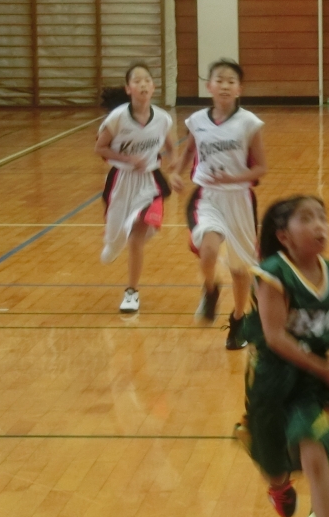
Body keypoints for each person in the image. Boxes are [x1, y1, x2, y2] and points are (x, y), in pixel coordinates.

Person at [234, 196, 329, 517]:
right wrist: (325, 366)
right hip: (273, 377)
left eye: (322, 217)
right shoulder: (272, 274)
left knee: (314, 453)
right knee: (271, 460)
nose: (319, 225)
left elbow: (328, 321)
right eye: (307, 218)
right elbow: (276, 337)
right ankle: (278, 485)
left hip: (314, 384)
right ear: (284, 236)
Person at [171, 59, 267, 350]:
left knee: (240, 269)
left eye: (231, 81)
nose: (225, 85)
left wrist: (232, 178)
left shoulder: (249, 123)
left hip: (240, 199)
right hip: (208, 196)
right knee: (209, 247)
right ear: (209, 86)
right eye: (219, 80)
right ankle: (210, 289)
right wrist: (176, 173)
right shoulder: (197, 120)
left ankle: (238, 320)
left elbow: (261, 168)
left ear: (239, 89)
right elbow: (189, 150)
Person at [93, 62, 174, 313]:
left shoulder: (163, 118)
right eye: (137, 81)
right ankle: (113, 242)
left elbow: (171, 147)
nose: (143, 84)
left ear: (153, 86)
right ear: (128, 88)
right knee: (116, 241)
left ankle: (131, 292)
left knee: (136, 237)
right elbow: (100, 148)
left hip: (150, 183)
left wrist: (175, 169)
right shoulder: (118, 118)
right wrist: (128, 159)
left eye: (147, 80)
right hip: (121, 181)